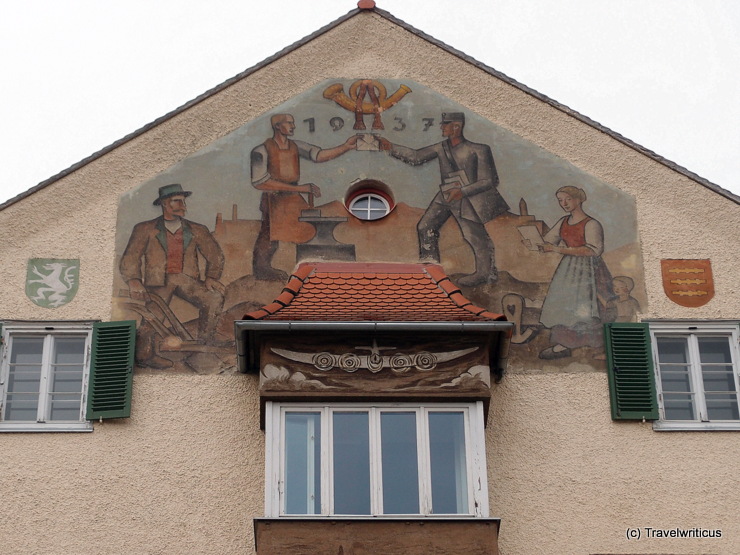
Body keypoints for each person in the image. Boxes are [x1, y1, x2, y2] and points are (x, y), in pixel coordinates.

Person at [379, 112, 509, 286]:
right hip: (446, 194)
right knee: (425, 226)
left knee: (474, 235)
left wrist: (463, 191)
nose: (441, 127)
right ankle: (431, 269)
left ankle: (485, 274)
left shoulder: (478, 149)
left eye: (445, 124)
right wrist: (391, 147)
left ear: (456, 126)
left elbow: (489, 180)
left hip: (467, 198)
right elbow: (417, 157)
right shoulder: (441, 147)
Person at [120, 184, 226, 368]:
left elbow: (215, 254)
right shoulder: (145, 228)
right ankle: (145, 356)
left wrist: (211, 277)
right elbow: (131, 256)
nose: (182, 205)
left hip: (187, 279)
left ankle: (203, 346)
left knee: (214, 298)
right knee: (153, 314)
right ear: (163, 203)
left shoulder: (197, 229)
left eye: (183, 201)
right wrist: (134, 281)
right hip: (159, 280)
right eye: (177, 201)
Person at [250, 113, 358, 281]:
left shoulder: (296, 146)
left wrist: (346, 146)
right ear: (278, 126)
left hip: (293, 196)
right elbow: (260, 182)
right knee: (270, 232)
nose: (293, 126)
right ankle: (262, 268)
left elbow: (318, 155)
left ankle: (308, 266)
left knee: (307, 227)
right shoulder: (261, 151)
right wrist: (300, 188)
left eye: (293, 123)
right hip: (273, 198)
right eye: (289, 123)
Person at [536, 186, 613, 359]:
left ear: (579, 199)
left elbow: (594, 250)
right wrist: (535, 243)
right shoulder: (563, 221)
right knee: (564, 304)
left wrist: (556, 249)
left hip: (589, 270)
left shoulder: (592, 224)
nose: (563, 203)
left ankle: (596, 345)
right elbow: (549, 240)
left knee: (587, 305)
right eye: (560, 200)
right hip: (568, 268)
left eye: (567, 199)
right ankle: (563, 344)